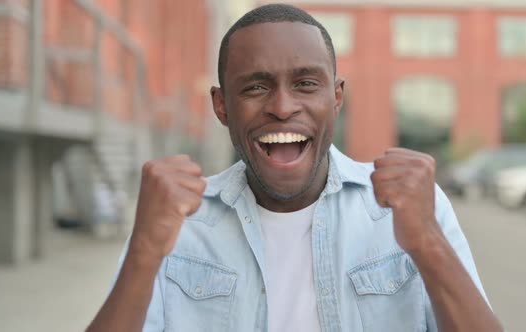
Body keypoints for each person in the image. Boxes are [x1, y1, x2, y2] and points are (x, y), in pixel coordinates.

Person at [87, 4, 503, 332]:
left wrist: (427, 243)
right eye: (255, 86)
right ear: (221, 106)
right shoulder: (179, 222)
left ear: (336, 98)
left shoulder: (411, 206)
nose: (283, 107)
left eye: (306, 83)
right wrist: (143, 253)